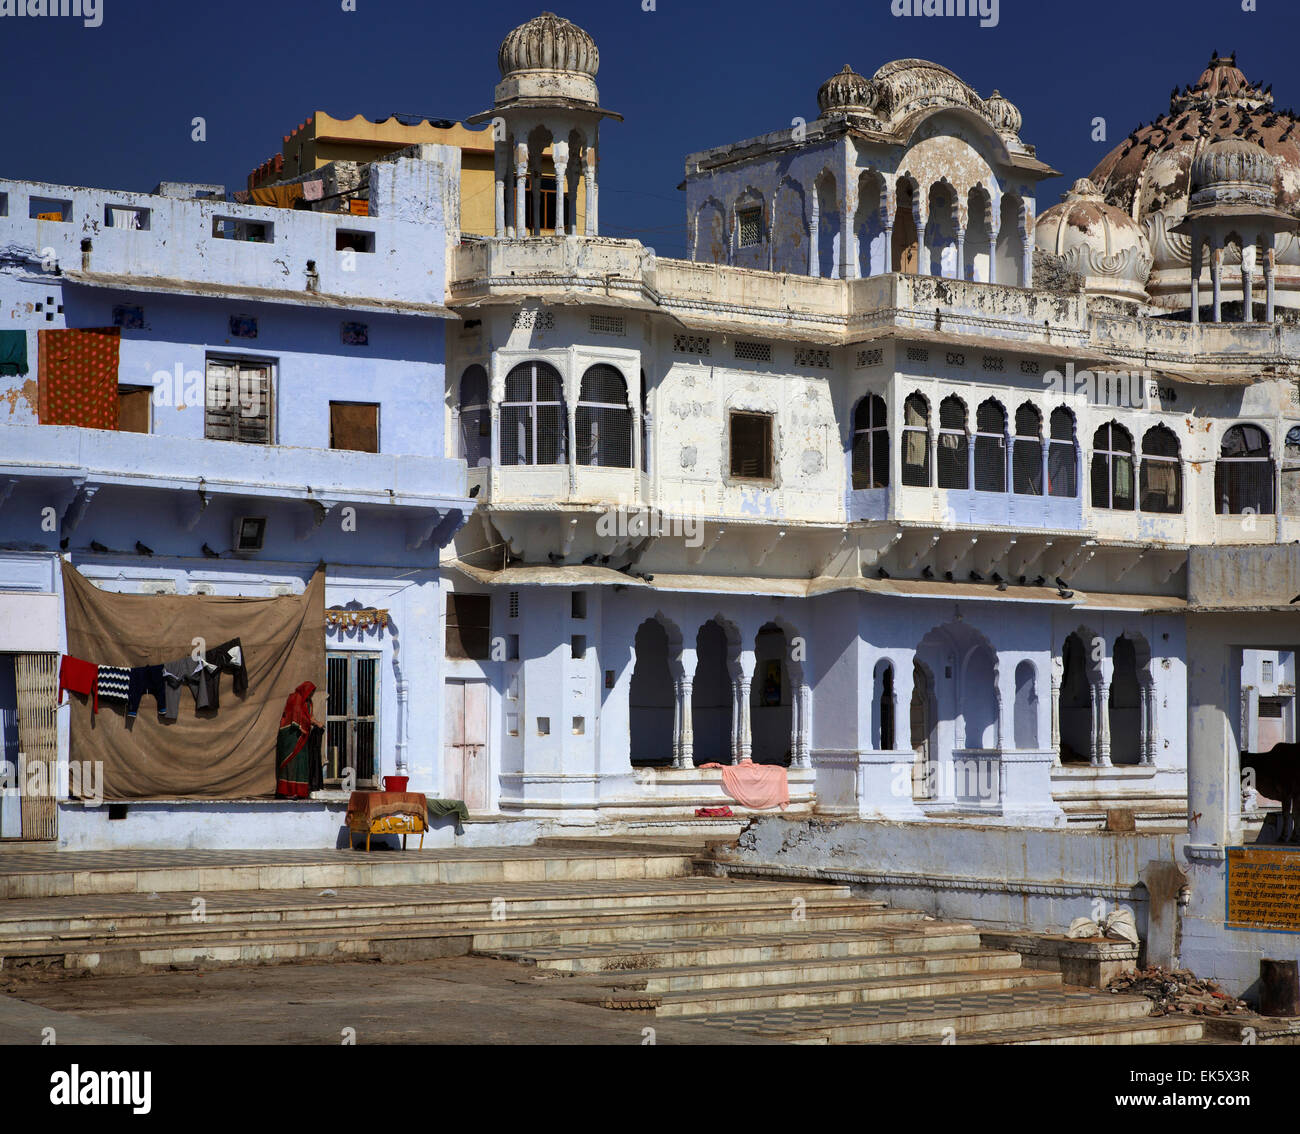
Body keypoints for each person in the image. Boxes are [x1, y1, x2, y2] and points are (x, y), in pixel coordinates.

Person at [276, 681, 322, 798]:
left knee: (301, 763)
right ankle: (287, 792)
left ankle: (299, 791)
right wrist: (299, 726)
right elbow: (294, 714)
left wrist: (317, 723)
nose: (311, 694)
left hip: (303, 736)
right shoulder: (295, 697)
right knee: (290, 762)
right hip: (291, 736)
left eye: (313, 692)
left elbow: (309, 717)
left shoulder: (309, 702)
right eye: (310, 692)